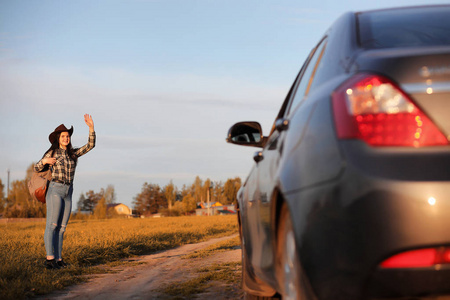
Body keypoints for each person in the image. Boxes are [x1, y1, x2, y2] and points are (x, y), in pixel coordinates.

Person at [34, 114, 96, 269]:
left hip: (68, 191)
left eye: (67, 136)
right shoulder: (52, 153)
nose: (66, 138)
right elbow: (36, 168)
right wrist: (44, 161)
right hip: (55, 189)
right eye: (63, 136)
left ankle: (59, 260)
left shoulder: (73, 154)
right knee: (52, 225)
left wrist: (91, 128)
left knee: (62, 228)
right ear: (58, 138)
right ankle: (50, 259)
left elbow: (89, 146)